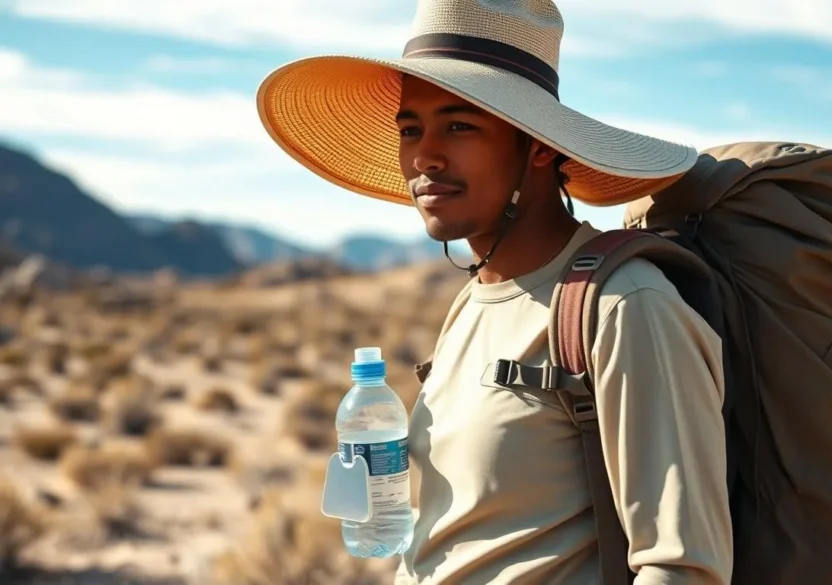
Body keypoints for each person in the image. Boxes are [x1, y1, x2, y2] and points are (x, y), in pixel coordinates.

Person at [256, 1, 734, 583]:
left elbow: (682, 566)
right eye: (411, 128)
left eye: (459, 125)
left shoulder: (624, 306)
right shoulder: (475, 298)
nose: (424, 156)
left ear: (537, 145)